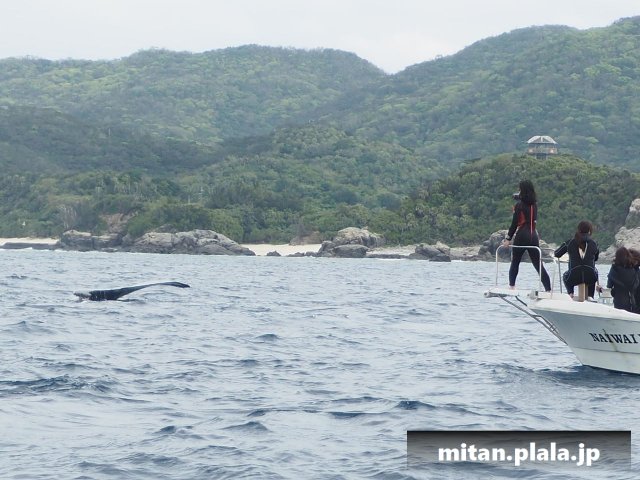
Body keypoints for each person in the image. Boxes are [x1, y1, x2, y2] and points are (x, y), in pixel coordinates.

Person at [502, 180, 551, 292]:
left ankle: (512, 286)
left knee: (515, 261)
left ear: (522, 190)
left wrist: (508, 239)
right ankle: (548, 289)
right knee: (538, 265)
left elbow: (514, 224)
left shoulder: (519, 205)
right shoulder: (534, 205)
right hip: (533, 235)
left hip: (522, 235)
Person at [553, 221, 599, 299]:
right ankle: (590, 296)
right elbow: (596, 258)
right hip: (590, 277)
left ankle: (570, 293)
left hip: (573, 277)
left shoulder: (569, 242)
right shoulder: (594, 244)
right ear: (589, 231)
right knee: (593, 272)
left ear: (578, 230)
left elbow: (557, 254)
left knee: (565, 275)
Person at [606, 247, 638, 312]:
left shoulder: (614, 269)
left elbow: (609, 285)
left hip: (619, 301)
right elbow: (636, 285)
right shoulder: (633, 270)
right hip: (632, 302)